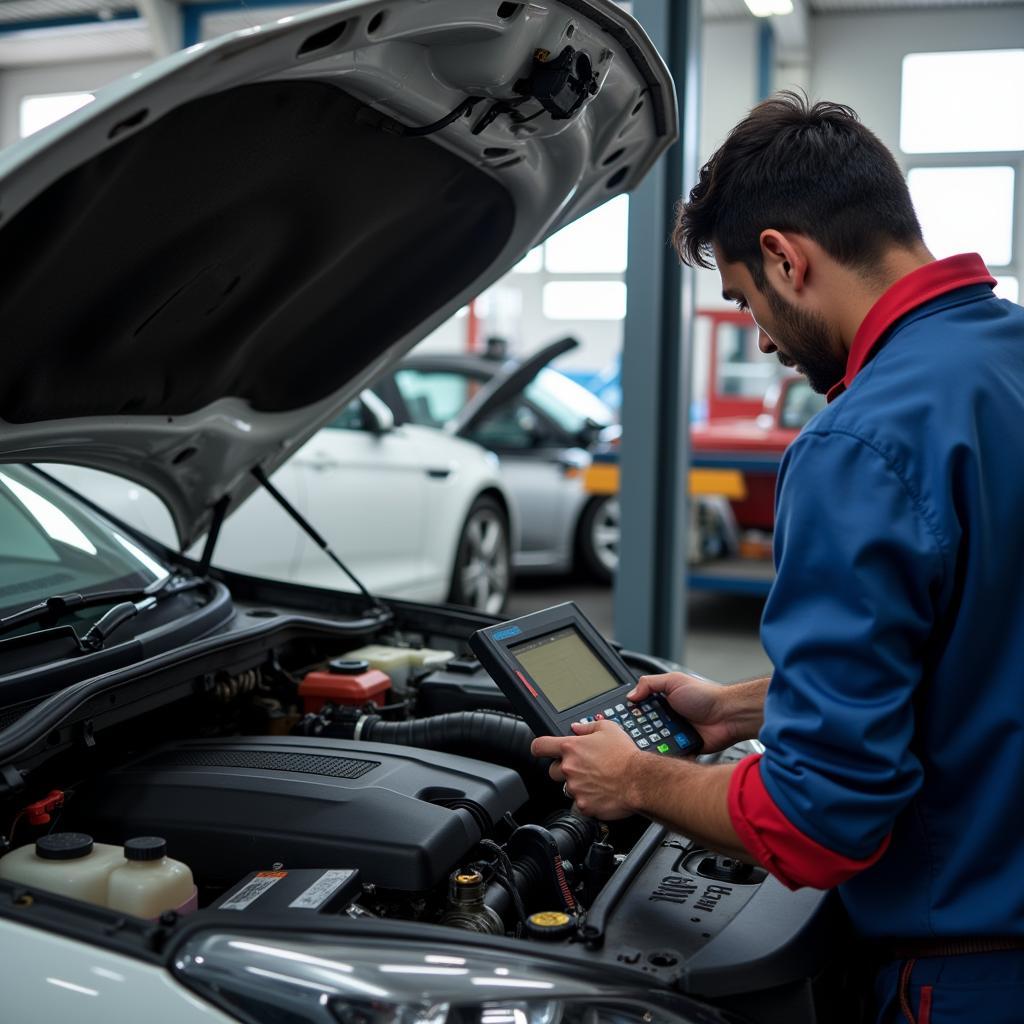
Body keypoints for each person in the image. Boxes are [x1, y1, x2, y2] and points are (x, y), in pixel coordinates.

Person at [530, 92, 1024, 1023]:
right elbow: (982, 638)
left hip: (971, 977)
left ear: (785, 258)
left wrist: (637, 778)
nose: (759, 334)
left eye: (745, 297)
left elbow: (819, 822)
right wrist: (737, 706)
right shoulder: (1008, 359)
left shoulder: (860, 442)